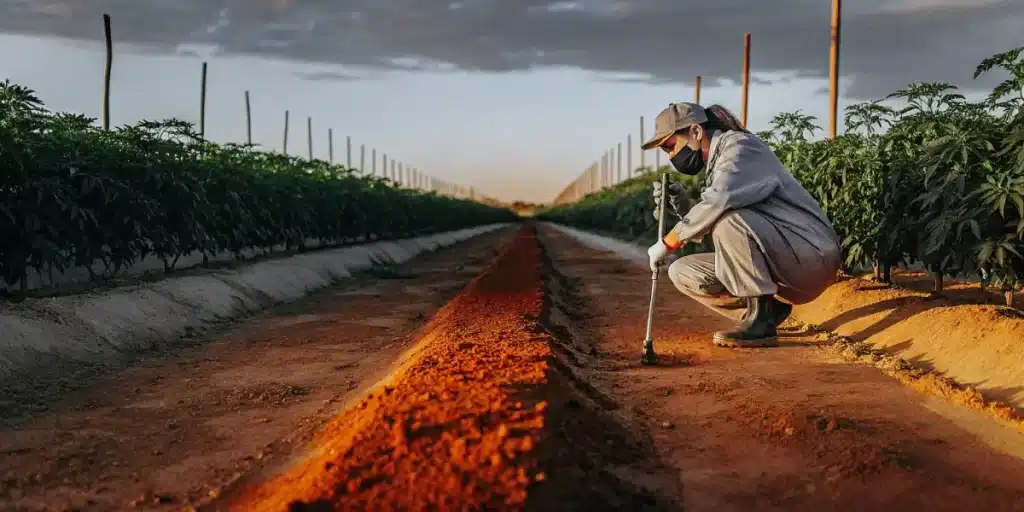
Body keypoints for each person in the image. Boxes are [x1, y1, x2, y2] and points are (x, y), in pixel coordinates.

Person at [641, 102, 841, 348]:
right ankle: (768, 311)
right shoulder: (718, 163)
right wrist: (681, 203)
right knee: (682, 271)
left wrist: (668, 242)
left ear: (695, 132)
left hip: (810, 255)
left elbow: (720, 203)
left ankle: (761, 322)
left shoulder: (740, 147)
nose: (671, 156)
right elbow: (715, 229)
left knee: (728, 219)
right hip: (782, 257)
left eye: (670, 146)